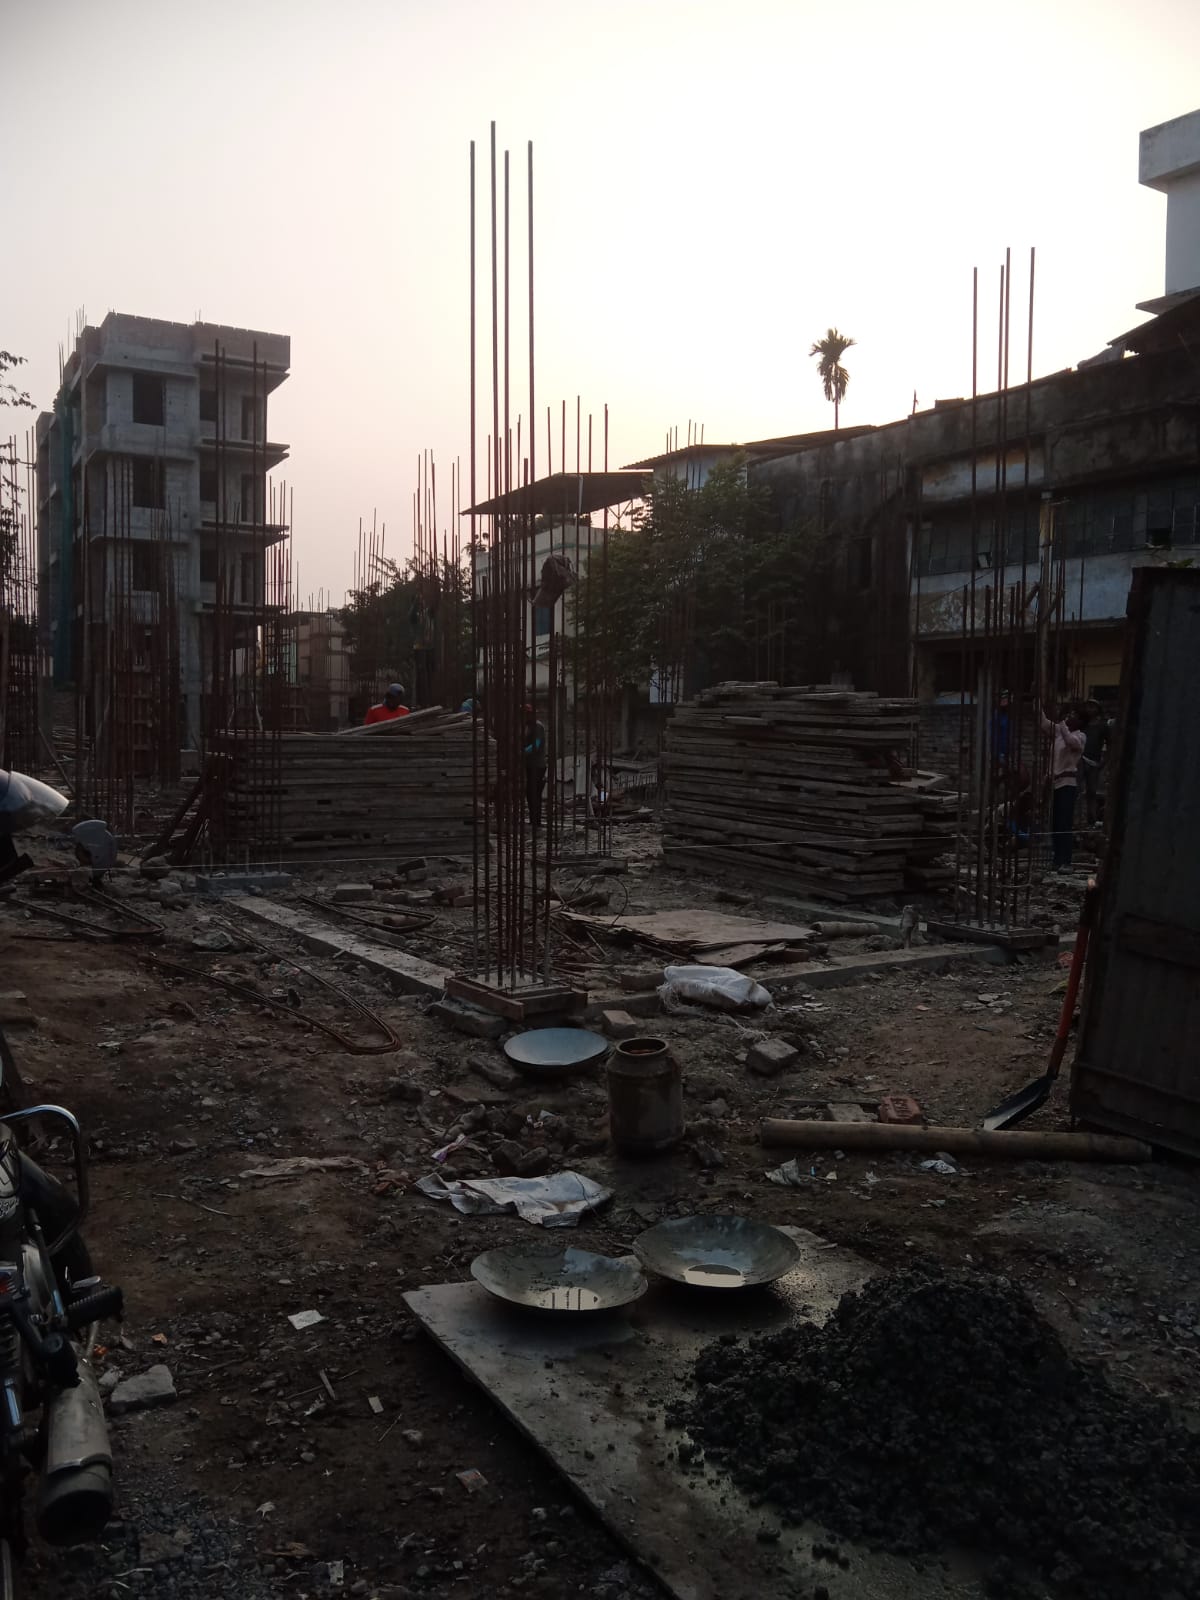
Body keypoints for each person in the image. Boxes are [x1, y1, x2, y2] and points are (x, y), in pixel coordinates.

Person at [1039, 701, 1085, 870]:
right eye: (1069, 714)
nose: (1070, 717)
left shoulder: (1080, 736)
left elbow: (1070, 741)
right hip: (1055, 783)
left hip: (1067, 784)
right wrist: (1038, 701)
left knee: (1064, 823)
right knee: (1056, 823)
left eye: (1074, 715)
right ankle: (1057, 859)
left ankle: (1066, 860)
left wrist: (1061, 722)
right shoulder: (1060, 731)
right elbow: (1044, 723)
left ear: (1081, 721)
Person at [1078, 698, 1111, 827]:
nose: (1089, 709)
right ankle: (1077, 819)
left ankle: (1091, 820)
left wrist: (1105, 761)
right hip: (1081, 759)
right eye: (1088, 706)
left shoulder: (1103, 726)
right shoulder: (1082, 724)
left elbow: (1110, 744)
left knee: (1092, 792)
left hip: (1094, 763)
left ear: (1098, 709)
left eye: (1092, 707)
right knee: (1077, 790)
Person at [523, 704, 547, 830]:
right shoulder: (527, 727)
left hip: (538, 766)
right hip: (530, 765)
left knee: (534, 793)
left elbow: (536, 745)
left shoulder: (538, 726)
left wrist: (521, 752)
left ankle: (536, 822)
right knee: (530, 794)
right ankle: (534, 821)